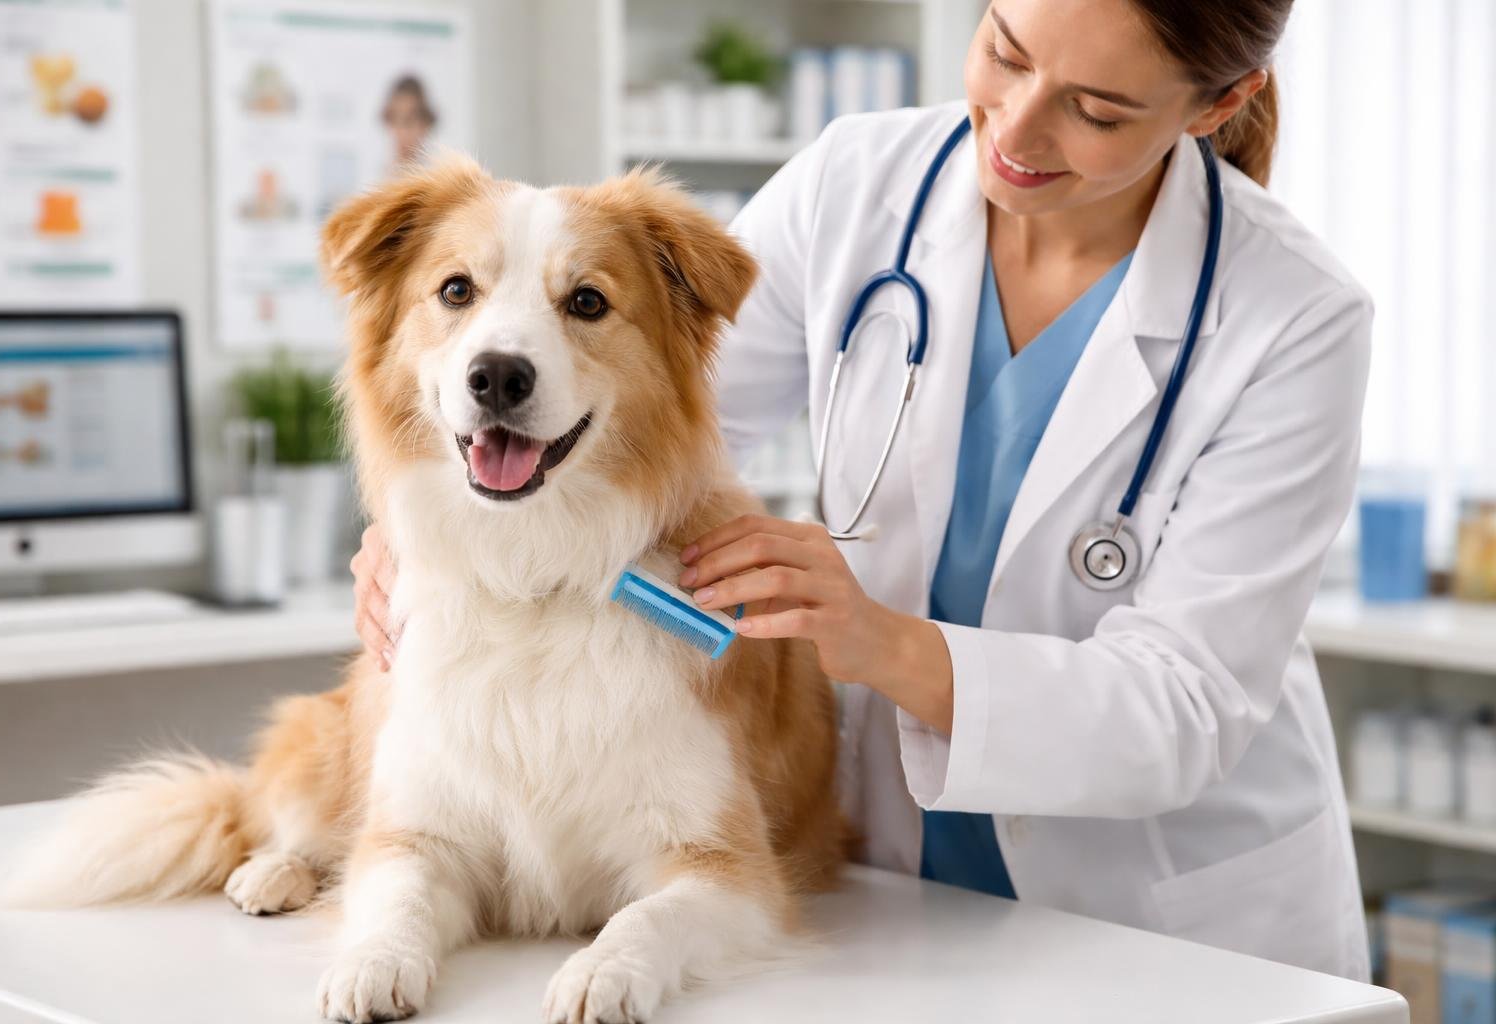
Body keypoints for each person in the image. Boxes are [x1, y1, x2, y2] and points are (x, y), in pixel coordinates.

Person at [352, 0, 1373, 980]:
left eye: (1097, 109)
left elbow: (1183, 707)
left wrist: (874, 637)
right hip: (906, 878)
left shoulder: (1294, 315)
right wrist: (433, 524)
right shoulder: (858, 183)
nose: (1016, 127)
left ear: (1215, 106)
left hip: (1168, 918)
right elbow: (643, 410)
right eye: (1007, 52)